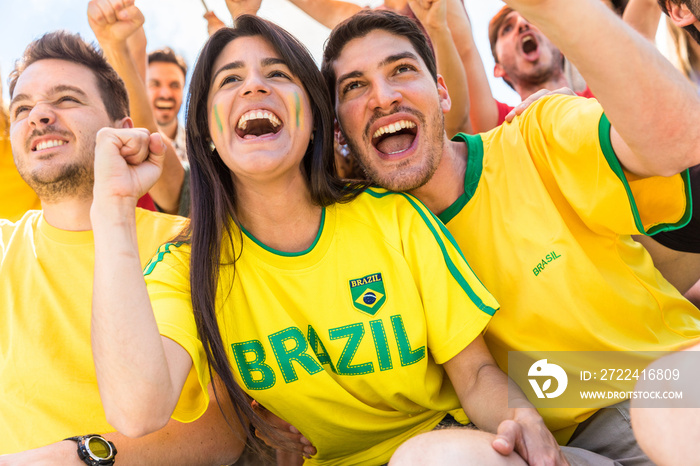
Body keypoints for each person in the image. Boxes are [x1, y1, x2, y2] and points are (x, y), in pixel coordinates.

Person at [88, 12, 568, 465]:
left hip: (451, 446)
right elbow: (137, 412)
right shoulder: (185, 265)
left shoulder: (394, 216)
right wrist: (111, 208)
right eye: (230, 79)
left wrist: (518, 416)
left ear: (316, 117)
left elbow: (476, 373)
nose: (254, 84)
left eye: (277, 74)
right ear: (207, 128)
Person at [320, 2, 700, 463]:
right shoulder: (360, 242)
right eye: (355, 86)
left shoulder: (535, 135)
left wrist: (558, 9)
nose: (383, 96)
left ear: (442, 93)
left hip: (670, 385)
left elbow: (676, 142)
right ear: (340, 132)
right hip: (562, 450)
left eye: (401, 69)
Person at [0, 30, 245, 464]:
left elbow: (229, 428)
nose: (39, 115)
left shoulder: (191, 244)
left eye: (67, 99)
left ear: (122, 131)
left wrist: (73, 458)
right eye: (23, 107)